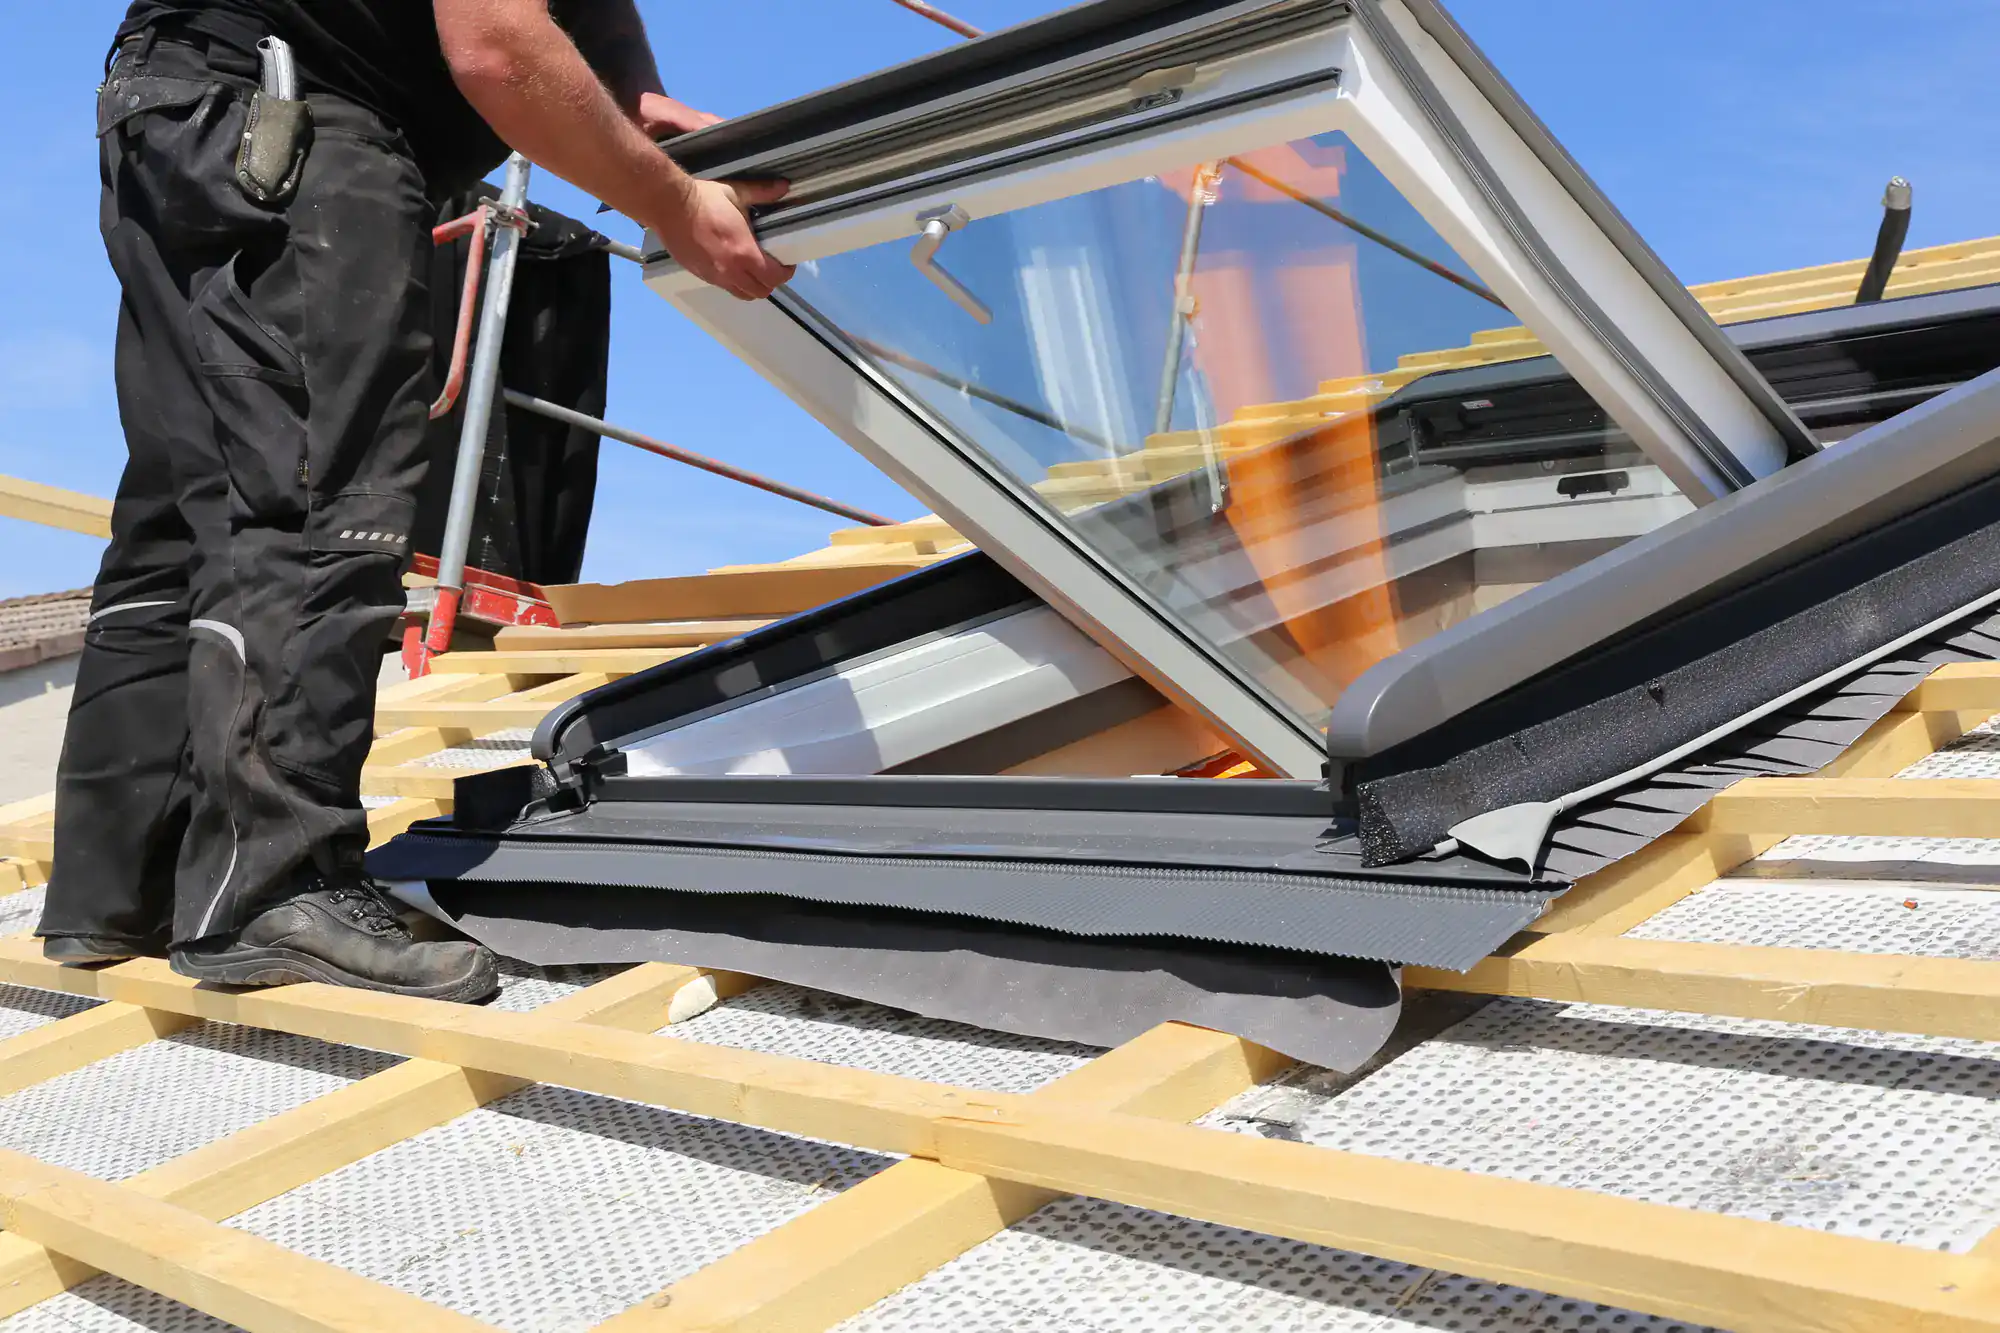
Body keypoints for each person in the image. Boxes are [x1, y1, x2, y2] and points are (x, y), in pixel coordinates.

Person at [36, 0, 793, 1001]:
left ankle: (121, 888)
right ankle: (278, 886)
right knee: (320, 497)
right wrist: (667, 203)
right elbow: (497, 45)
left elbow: (588, 15)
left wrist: (633, 105)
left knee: (192, 502)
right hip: (296, 123)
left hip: (179, 106)